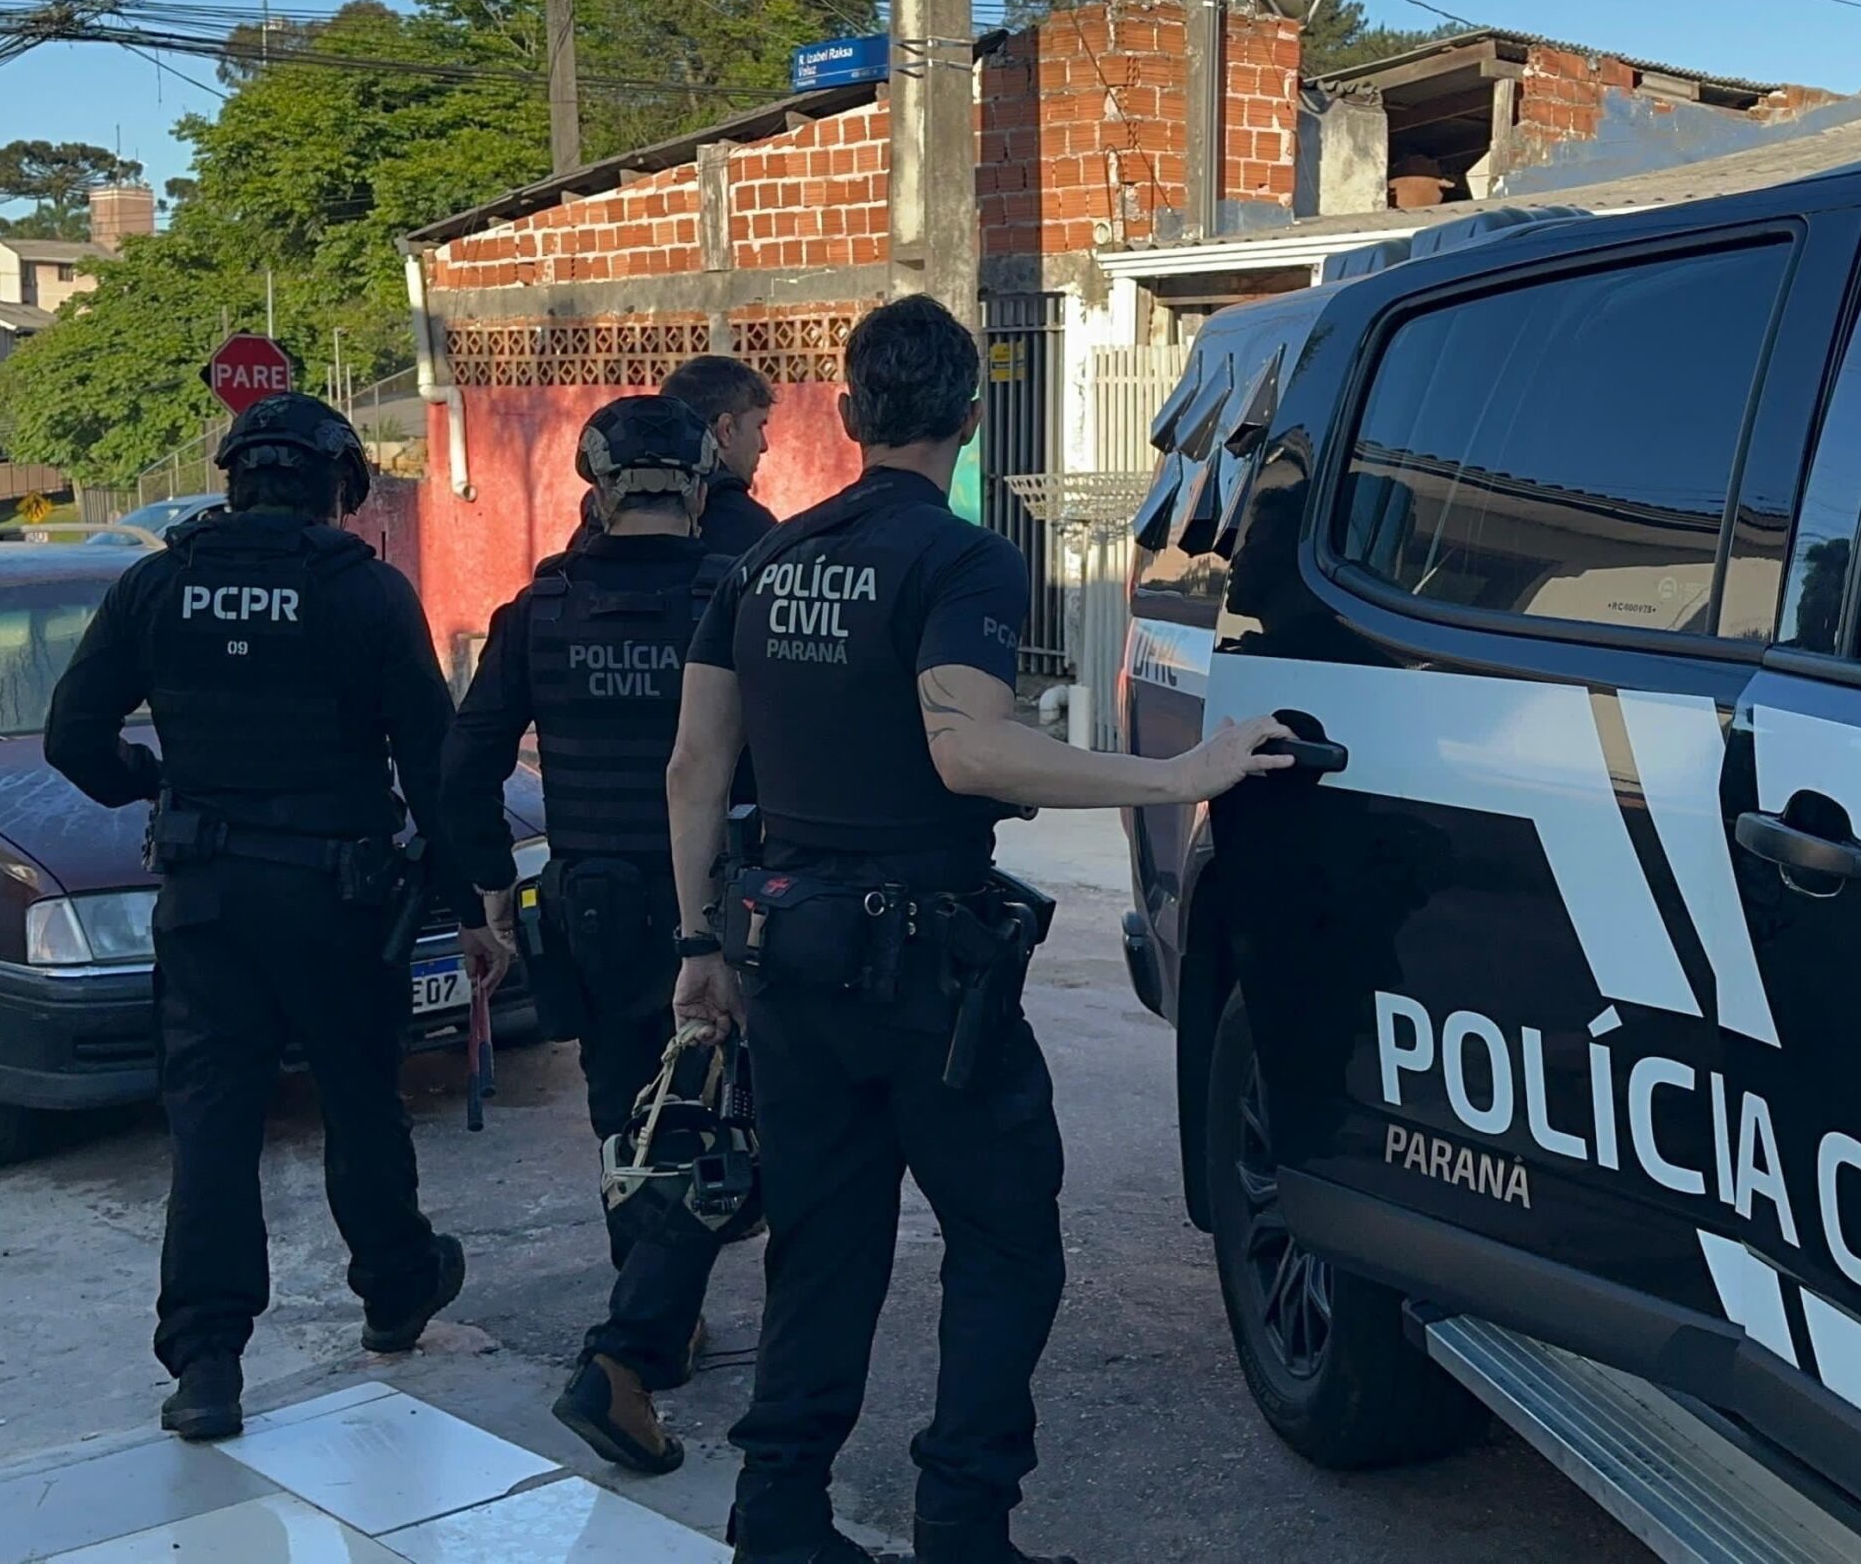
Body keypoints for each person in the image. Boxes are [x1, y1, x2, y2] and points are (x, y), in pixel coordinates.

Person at [665, 294, 1294, 1564]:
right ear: (964, 415)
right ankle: (960, 1526)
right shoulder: (961, 560)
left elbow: (692, 767)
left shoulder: (762, 563)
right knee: (1006, 1246)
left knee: (822, 1249)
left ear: (850, 413)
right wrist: (1183, 774)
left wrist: (696, 951)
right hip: (926, 967)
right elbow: (971, 751)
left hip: (784, 952)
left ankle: (777, 1517)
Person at [44, 394, 503, 1443]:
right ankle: (395, 1289)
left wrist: (153, 782)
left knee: (211, 1121)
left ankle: (207, 1363)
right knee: (361, 1098)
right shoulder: (365, 591)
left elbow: (75, 736)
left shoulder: (158, 583)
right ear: (337, 485)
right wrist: (469, 898)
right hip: (339, 900)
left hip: (206, 897)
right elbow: (431, 766)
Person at [441, 393, 762, 1476]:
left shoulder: (541, 609)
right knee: (726, 1122)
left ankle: (656, 1325)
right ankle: (640, 1342)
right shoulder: (732, 596)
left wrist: (493, 888)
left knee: (629, 1119)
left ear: (597, 489)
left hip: (590, 907)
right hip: (716, 907)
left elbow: (464, 766)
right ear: (701, 487)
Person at [569, 356, 779, 554]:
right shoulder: (751, 529)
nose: (764, 446)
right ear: (727, 429)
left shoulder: (594, 521)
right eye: (759, 426)